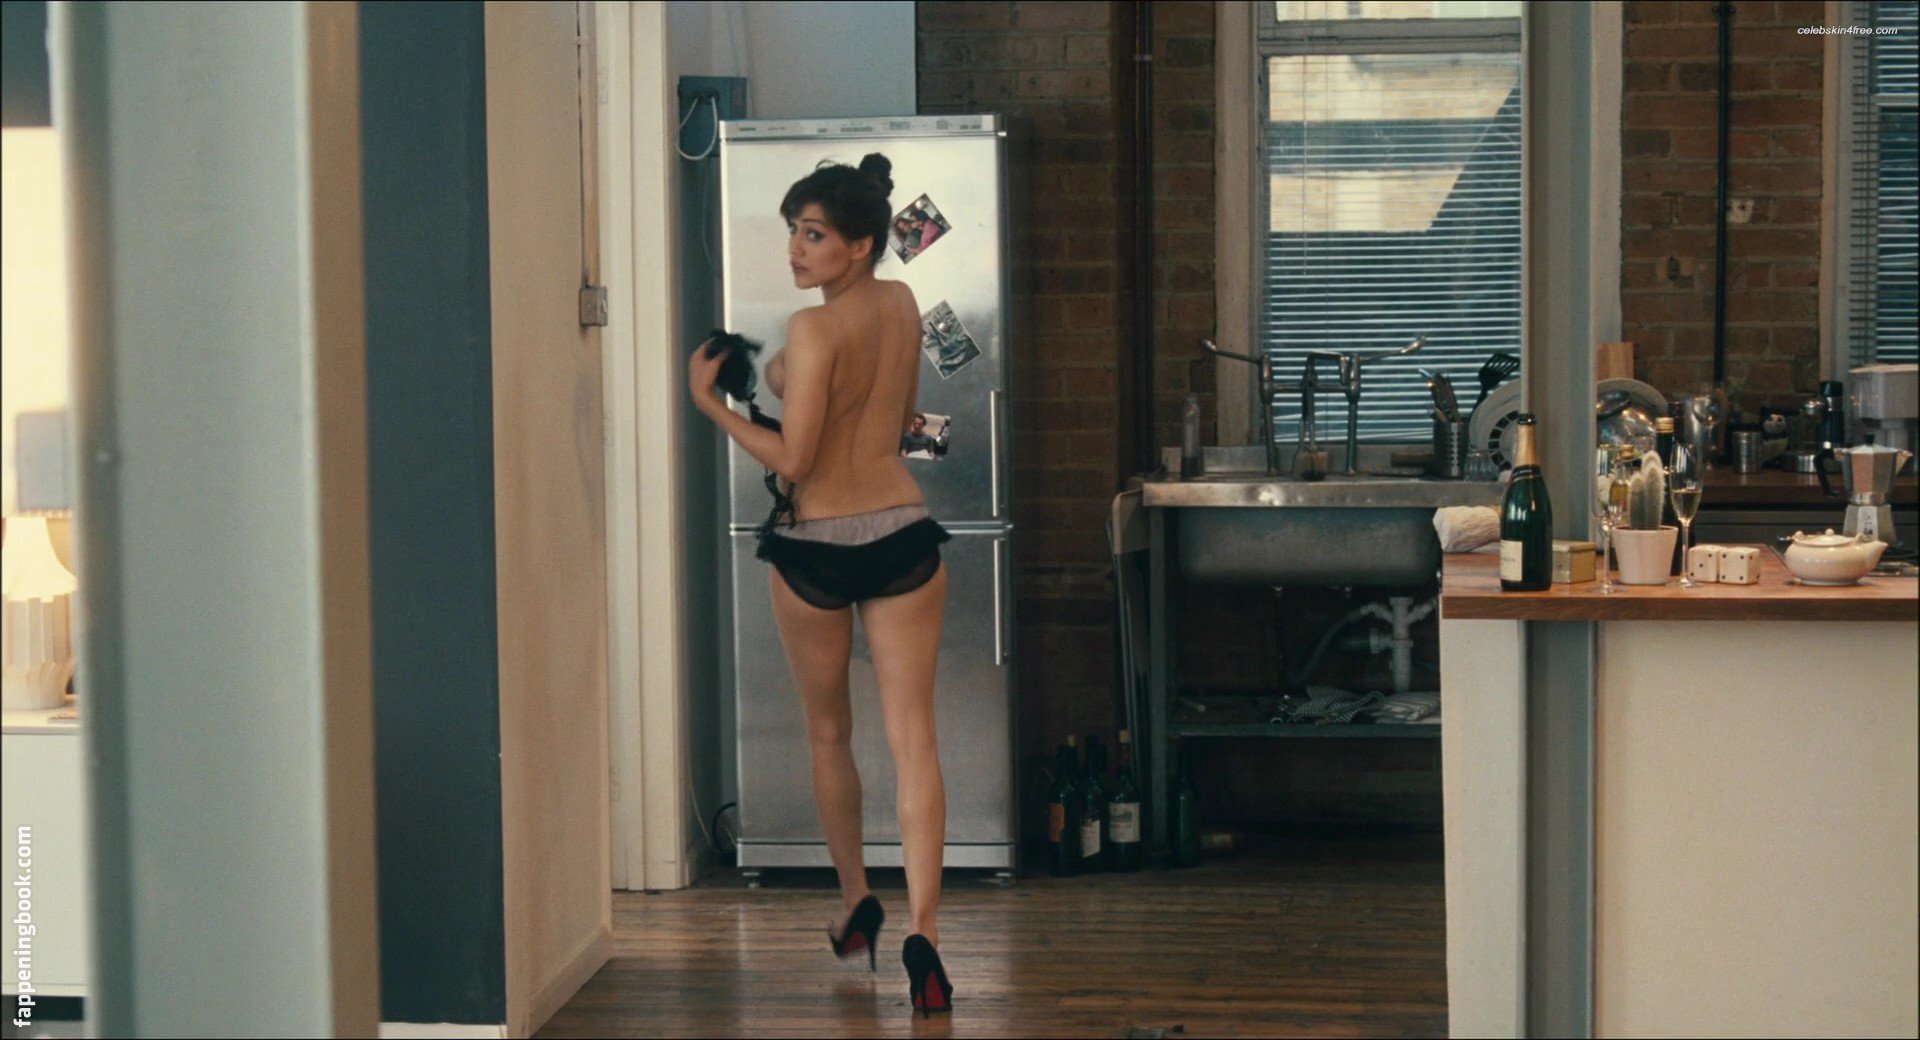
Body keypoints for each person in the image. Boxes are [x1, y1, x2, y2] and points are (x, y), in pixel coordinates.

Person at [687, 153, 955, 1017]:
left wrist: (713, 405)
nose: (795, 251)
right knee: (914, 739)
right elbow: (895, 415)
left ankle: (855, 903)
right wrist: (783, 384)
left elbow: (797, 460)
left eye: (812, 235)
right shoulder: (902, 303)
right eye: (794, 234)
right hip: (902, 528)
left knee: (829, 733)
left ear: (860, 243)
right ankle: (925, 936)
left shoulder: (812, 329)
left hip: (817, 544)